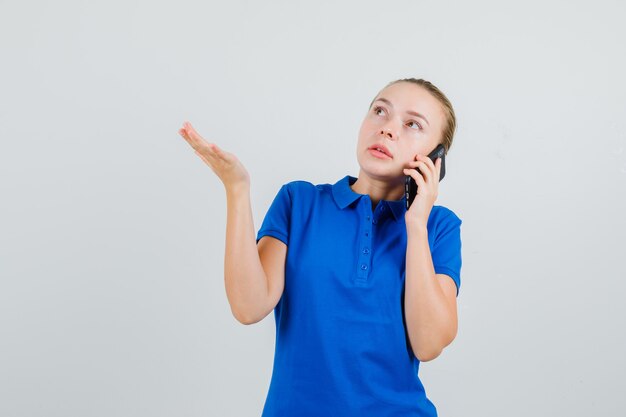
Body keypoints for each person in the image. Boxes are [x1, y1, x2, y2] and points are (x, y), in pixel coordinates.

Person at [178, 77, 462, 416]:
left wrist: (416, 223)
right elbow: (248, 306)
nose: (387, 128)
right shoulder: (299, 202)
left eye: (412, 124)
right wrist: (236, 188)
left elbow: (428, 343)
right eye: (380, 111)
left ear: (436, 159)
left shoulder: (438, 227)